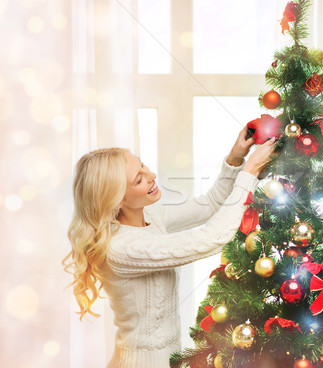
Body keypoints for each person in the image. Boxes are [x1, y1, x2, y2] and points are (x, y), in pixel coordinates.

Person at [63, 127, 276, 368]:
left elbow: (208, 205)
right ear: (117, 199)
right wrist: (250, 173)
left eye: (143, 166)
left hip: (170, 358)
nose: (152, 175)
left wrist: (235, 158)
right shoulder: (122, 247)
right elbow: (215, 237)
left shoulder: (149, 214)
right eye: (139, 179)